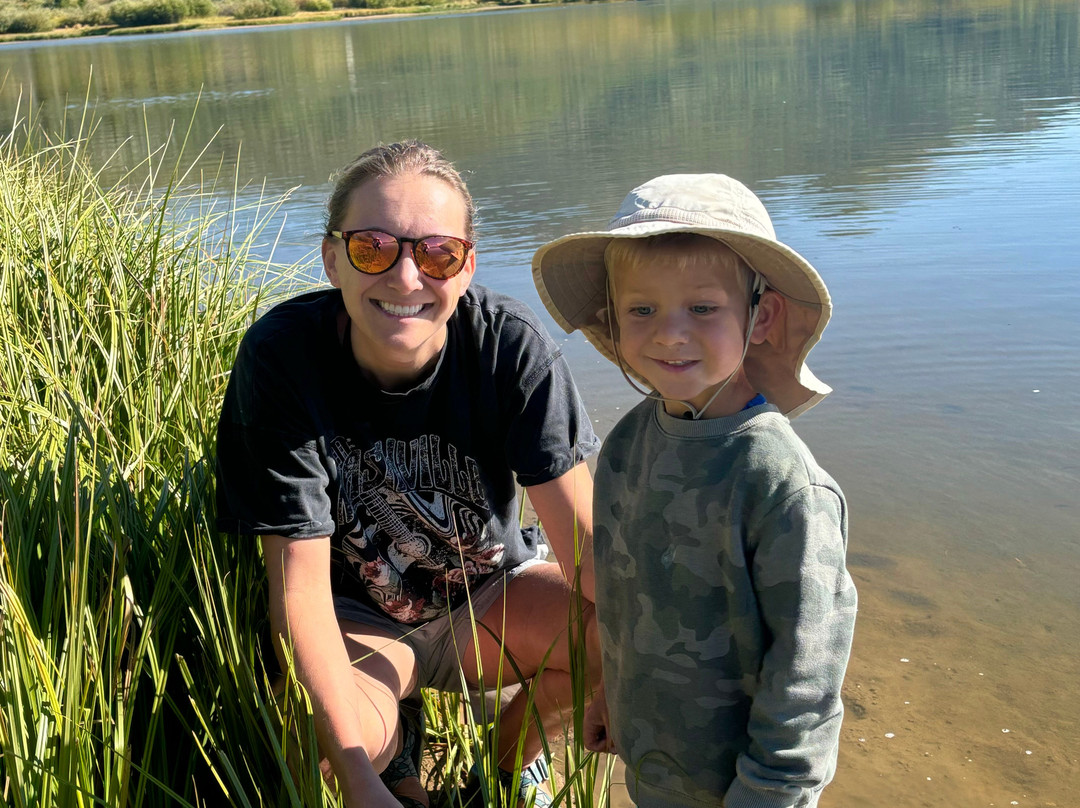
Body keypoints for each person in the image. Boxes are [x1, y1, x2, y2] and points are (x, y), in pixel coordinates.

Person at [216, 140, 601, 808]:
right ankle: (398, 761)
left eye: (436, 253)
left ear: (467, 266)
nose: (405, 277)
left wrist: (641, 681)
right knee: (326, 744)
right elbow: (300, 594)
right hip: (360, 621)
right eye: (372, 247)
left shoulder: (510, 347)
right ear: (332, 257)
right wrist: (365, 784)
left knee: (616, 645)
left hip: (490, 601)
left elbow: (593, 558)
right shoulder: (282, 359)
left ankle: (505, 769)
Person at [532, 174, 858, 807]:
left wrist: (769, 791)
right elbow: (626, 591)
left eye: (702, 308)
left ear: (761, 316)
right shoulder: (629, 443)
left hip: (742, 784)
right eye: (642, 309)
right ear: (615, 319)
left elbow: (807, 671)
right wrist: (610, 697)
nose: (669, 333)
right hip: (654, 759)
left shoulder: (780, 480)